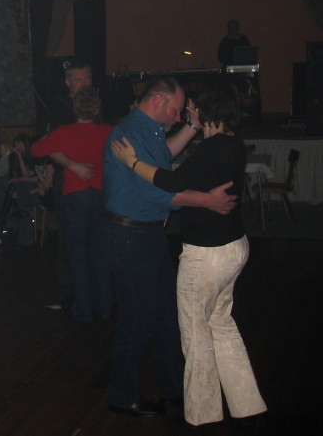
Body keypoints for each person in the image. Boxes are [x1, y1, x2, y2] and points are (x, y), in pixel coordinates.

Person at [111, 81, 267, 427]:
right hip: (230, 247)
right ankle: (245, 402)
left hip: (207, 254)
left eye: (192, 107)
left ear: (207, 111)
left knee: (195, 333)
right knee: (220, 324)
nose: (186, 112)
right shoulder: (232, 143)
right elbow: (176, 171)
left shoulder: (211, 148)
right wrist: (205, 197)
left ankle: (202, 414)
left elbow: (169, 182)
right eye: (182, 108)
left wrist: (133, 162)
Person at [31, 87, 113, 322]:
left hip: (76, 196)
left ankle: (83, 310)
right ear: (96, 109)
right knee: (99, 252)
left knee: (77, 254)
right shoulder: (108, 131)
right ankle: (104, 307)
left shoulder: (64, 132)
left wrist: (50, 140)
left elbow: (35, 150)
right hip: (101, 195)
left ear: (75, 108)